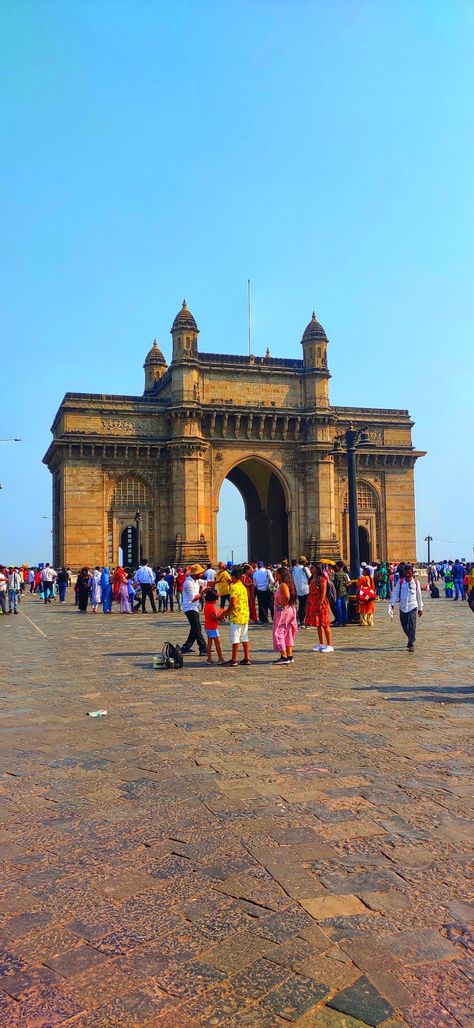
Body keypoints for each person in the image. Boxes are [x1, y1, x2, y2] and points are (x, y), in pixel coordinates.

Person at [390, 564, 423, 651]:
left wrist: (421, 608)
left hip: (413, 606)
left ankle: (410, 644)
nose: (407, 575)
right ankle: (411, 636)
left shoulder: (416, 582)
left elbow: (419, 595)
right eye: (406, 573)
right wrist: (392, 604)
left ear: (412, 573)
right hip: (403, 607)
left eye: (409, 573)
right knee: (404, 625)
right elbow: (396, 593)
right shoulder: (400, 582)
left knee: (412, 624)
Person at [306, 563, 334, 652]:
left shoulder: (322, 579)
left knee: (325, 624)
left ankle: (330, 645)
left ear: (317, 569)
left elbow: (323, 593)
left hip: (321, 604)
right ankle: (321, 643)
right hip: (313, 603)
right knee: (318, 624)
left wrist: (320, 603)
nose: (310, 568)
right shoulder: (311, 579)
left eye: (312, 567)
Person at [273, 566, 298, 664]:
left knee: (279, 632)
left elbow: (287, 596)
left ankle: (284, 656)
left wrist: (282, 605)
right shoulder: (289, 584)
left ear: (281, 575)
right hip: (290, 609)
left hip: (284, 610)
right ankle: (290, 655)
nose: (276, 576)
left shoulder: (283, 584)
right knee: (288, 633)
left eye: (277, 574)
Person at [226, 566, 250, 666]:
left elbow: (233, 602)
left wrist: (226, 612)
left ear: (235, 577)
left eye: (232, 576)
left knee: (235, 638)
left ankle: (234, 659)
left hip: (236, 615)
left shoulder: (234, 587)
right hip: (245, 615)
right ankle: (246, 658)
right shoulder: (243, 586)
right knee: (244, 638)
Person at [182, 564, 207, 656]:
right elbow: (193, 598)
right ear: (195, 574)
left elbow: (207, 583)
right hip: (189, 607)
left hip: (194, 607)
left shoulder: (196, 580)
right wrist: (202, 593)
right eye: (200, 573)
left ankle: (186, 646)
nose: (202, 574)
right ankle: (203, 647)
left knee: (194, 628)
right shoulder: (189, 583)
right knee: (197, 627)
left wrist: (220, 581)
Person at [203, 588, 226, 665]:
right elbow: (213, 617)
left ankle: (209, 659)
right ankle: (220, 658)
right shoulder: (211, 606)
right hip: (213, 627)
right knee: (217, 643)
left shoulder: (207, 605)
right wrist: (220, 616)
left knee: (209, 643)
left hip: (208, 626)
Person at [291, 556, 311, 627]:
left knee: (301, 605)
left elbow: (293, 580)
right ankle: (306, 620)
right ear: (303, 562)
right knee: (306, 605)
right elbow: (310, 577)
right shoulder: (305, 568)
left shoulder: (294, 570)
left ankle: (301, 620)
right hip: (306, 589)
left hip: (298, 590)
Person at [333, 560, 349, 627]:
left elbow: (335, 584)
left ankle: (340, 622)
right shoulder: (344, 574)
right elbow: (347, 582)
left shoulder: (336, 574)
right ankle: (344, 622)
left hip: (338, 592)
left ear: (337, 566)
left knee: (338, 608)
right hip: (344, 592)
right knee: (344, 607)